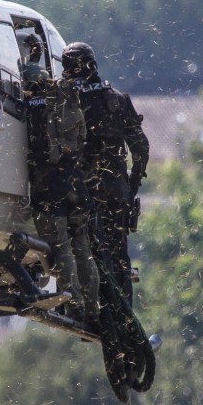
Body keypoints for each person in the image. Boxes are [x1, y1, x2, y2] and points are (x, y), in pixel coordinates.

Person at [60, 41, 149, 306]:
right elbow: (141, 149)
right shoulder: (119, 99)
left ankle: (95, 312)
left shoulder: (68, 102)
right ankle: (124, 316)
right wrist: (131, 184)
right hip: (118, 187)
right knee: (120, 254)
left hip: (84, 190)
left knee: (91, 253)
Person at [21, 36, 99, 320]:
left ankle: (74, 305)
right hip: (77, 185)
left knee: (62, 249)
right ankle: (93, 306)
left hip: (49, 188)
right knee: (83, 249)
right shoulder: (67, 95)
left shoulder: (32, 102)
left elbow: (32, 81)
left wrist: (31, 61)